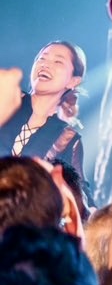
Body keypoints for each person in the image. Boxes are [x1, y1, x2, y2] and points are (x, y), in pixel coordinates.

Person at [0, 40, 88, 180]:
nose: (45, 64)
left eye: (58, 62)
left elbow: (78, 188)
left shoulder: (66, 138)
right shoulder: (7, 98)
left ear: (73, 81)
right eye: (42, 58)